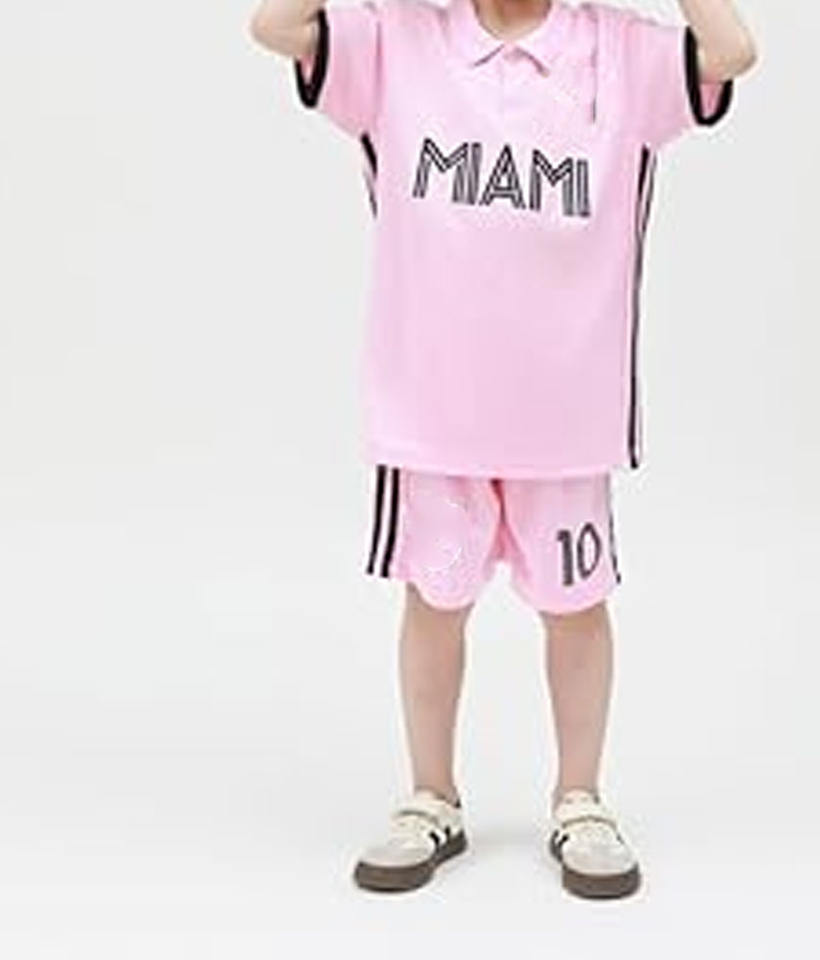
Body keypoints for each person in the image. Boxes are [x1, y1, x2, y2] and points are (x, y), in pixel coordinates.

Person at [249, 0, 756, 899]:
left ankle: (580, 798)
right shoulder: (398, 41)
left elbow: (731, 50)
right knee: (434, 604)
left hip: (567, 421)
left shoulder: (620, 53)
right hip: (435, 415)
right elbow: (277, 27)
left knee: (576, 607)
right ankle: (431, 796)